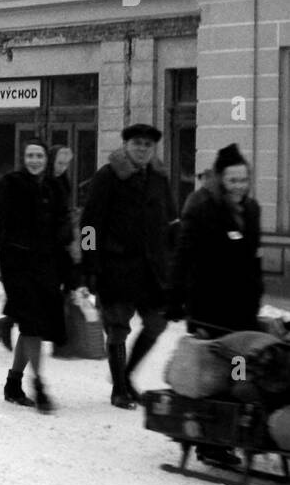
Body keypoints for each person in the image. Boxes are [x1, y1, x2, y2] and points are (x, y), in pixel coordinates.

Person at [80, 122, 177, 409]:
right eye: (137, 144)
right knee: (118, 327)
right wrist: (91, 265)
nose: (143, 149)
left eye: (148, 145)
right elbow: (89, 225)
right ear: (126, 145)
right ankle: (120, 389)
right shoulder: (108, 176)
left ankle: (127, 374)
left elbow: (171, 222)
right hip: (116, 266)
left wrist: (173, 261)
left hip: (152, 269)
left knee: (157, 323)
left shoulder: (159, 178)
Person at [0, 141, 70, 413]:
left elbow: (65, 228)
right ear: (24, 158)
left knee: (36, 326)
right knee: (31, 323)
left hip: (46, 264)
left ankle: (13, 383)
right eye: (30, 155)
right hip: (16, 263)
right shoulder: (10, 184)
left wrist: (74, 263)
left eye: (39, 156)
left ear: (47, 159)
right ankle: (39, 385)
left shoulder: (55, 187)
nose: (34, 160)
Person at [170, 144, 262, 338]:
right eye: (233, 180)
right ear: (221, 180)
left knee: (240, 364)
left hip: (244, 308)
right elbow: (183, 257)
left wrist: (256, 292)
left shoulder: (252, 210)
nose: (239, 186)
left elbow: (254, 258)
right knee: (214, 364)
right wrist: (175, 299)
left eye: (244, 180)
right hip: (208, 309)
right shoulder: (202, 209)